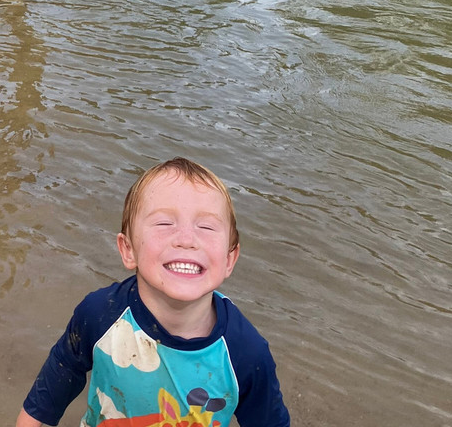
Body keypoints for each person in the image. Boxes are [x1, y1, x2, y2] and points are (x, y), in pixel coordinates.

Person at [16, 158, 290, 427]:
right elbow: (53, 387)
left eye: (205, 226)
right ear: (128, 249)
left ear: (230, 259)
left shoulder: (246, 352)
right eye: (164, 223)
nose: (186, 239)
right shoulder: (99, 314)